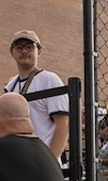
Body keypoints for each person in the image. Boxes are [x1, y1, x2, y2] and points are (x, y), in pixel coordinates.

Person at [4, 31, 70, 161]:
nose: (24, 51)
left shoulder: (49, 79)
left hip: (41, 162)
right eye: (19, 47)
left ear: (39, 50)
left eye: (29, 47)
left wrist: (50, 161)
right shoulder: (10, 86)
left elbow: (63, 124)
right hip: (17, 162)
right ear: (12, 52)